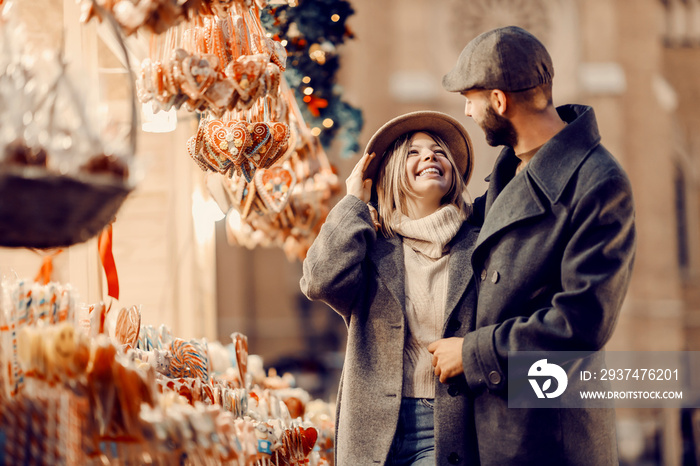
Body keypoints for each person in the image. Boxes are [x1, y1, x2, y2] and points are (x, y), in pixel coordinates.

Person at [429, 25, 637, 465]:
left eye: (471, 98)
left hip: (549, 438)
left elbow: (580, 324)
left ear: (499, 101)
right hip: (495, 428)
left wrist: (472, 352)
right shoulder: (512, 172)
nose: (467, 111)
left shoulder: (599, 181)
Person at [300, 111, 481, 466]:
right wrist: (352, 202)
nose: (430, 156)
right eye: (413, 152)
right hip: (371, 429)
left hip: (448, 426)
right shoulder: (372, 247)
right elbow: (318, 280)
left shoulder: (479, 246)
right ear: (392, 173)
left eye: (438, 151)